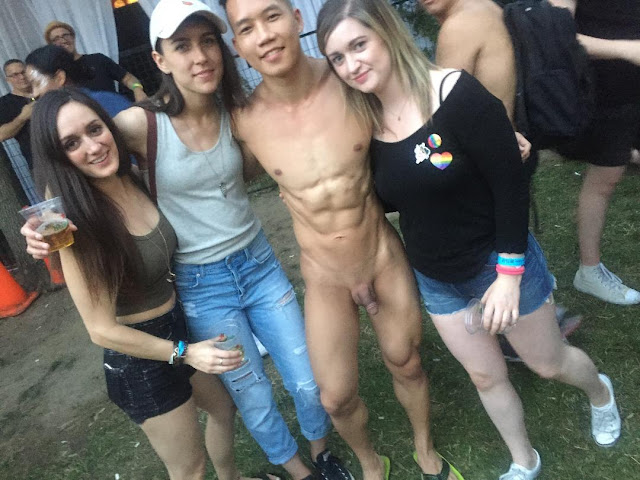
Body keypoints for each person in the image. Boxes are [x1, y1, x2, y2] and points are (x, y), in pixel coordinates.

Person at [24, 2, 349, 479]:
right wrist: (40, 224)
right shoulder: (138, 126)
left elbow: (272, 150)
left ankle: (322, 453)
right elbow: (67, 159)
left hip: (257, 264)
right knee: (251, 392)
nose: (199, 56)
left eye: (208, 41)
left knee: (305, 378)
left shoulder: (236, 113)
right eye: (181, 46)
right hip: (202, 284)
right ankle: (299, 470)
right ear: (160, 60)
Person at [317, 1, 622, 479]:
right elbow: (392, 196)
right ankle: (524, 461)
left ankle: (600, 391)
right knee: (485, 376)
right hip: (437, 278)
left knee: (548, 363)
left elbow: (510, 186)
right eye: (338, 57)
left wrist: (508, 275)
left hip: (496, 261)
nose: (351, 64)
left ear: (387, 34)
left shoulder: (454, 93)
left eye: (359, 45)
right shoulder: (364, 125)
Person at [220, 1, 462, 479]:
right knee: (334, 396)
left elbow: (423, 99)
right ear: (237, 46)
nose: (264, 35)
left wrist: (495, 137)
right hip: (324, 274)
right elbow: (193, 163)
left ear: (297, 19)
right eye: (246, 28)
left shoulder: (350, 81)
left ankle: (425, 449)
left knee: (407, 362)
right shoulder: (242, 121)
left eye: (272, 16)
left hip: (379, 254)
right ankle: (371, 464)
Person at [27, 87, 259, 480]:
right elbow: (101, 330)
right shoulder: (74, 226)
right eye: (72, 143)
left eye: (95, 129)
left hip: (178, 328)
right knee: (189, 469)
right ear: (59, 157)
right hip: (139, 358)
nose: (93, 147)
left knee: (223, 409)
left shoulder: (133, 178)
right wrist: (184, 353)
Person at [419, 0, 583, 360]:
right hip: (509, 142)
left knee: (491, 250)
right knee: (510, 237)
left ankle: (523, 330)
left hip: (484, 162)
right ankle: (541, 318)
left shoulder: (459, 26)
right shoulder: (488, 7)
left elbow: (437, 111)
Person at [547, 0, 640, 305]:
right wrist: (626, 50)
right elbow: (554, 37)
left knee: (610, 175)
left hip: (628, 93)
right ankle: (588, 271)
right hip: (595, 94)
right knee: (604, 180)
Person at [44, 20, 148, 102]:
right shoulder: (57, 76)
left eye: (65, 35)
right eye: (56, 39)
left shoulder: (98, 59)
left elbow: (128, 78)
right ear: (51, 46)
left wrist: (137, 89)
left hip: (117, 111)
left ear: (73, 37)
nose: (63, 40)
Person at [25, 45, 132, 118]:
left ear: (59, 78)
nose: (35, 94)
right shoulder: (52, 119)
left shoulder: (106, 103)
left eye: (37, 83)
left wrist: (137, 88)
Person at [0, 59, 35, 168]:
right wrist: (22, 117)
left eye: (23, 72)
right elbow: (1, 135)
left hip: (68, 153)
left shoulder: (44, 91)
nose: (21, 77)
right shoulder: (4, 103)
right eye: (15, 75)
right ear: (8, 79)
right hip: (39, 162)